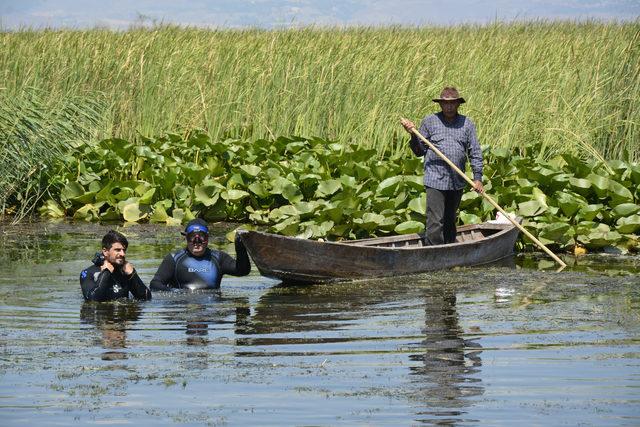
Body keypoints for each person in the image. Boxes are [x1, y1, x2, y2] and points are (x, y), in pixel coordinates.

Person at [401, 86, 484, 245]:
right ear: (440, 104)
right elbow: (419, 151)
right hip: (435, 179)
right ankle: (433, 253)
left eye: (453, 103)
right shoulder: (430, 121)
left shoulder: (467, 124)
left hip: (457, 179)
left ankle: (449, 249)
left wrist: (478, 178)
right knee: (435, 221)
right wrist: (413, 134)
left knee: (450, 220)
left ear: (458, 104)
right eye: (446, 103)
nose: (449, 106)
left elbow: (475, 152)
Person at [150, 218, 251, 291]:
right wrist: (175, 293)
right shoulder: (174, 259)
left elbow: (242, 271)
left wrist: (240, 247)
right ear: (186, 238)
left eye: (201, 237)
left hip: (212, 311)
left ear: (207, 239)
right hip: (184, 309)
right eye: (192, 237)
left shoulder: (219, 258)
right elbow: (155, 284)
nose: (196, 242)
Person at [80, 230, 152, 302]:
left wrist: (132, 274)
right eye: (118, 250)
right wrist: (106, 273)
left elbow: (146, 298)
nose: (123, 254)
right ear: (105, 251)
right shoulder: (88, 273)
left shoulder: (125, 271)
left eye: (124, 250)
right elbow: (93, 300)